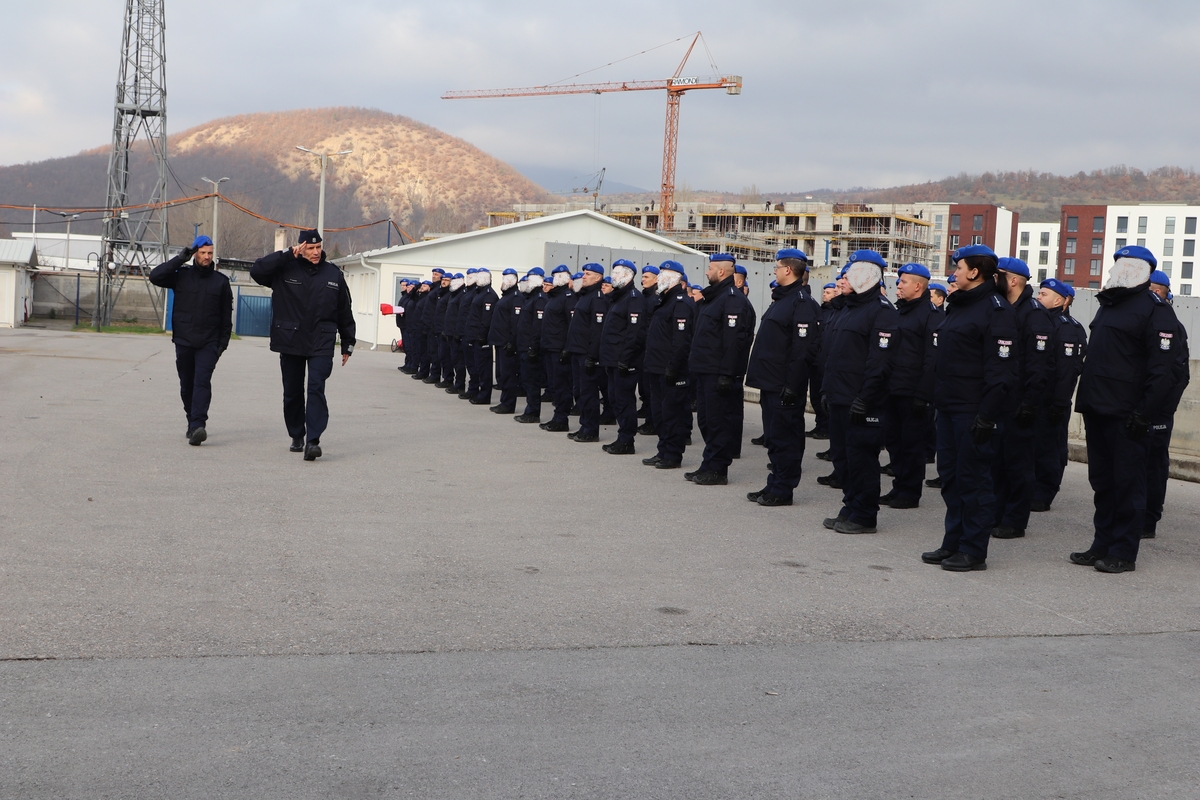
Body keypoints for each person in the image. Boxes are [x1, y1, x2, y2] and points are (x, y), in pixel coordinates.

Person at [1070, 247, 1181, 572]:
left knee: (1128, 484)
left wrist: (1144, 413)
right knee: (1103, 482)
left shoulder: (1155, 310)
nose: (1114, 270)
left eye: (1123, 265)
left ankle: (1123, 551)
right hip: (1098, 408)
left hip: (1128, 414)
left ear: (1140, 271)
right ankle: (1101, 543)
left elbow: (1163, 371)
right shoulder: (1109, 305)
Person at [920, 244, 1018, 571]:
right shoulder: (959, 306)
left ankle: (973, 550)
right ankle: (953, 542)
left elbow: (1001, 372)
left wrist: (987, 416)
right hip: (948, 408)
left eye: (959, 267)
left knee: (974, 481)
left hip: (974, 412)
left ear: (975, 272)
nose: (955, 273)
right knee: (951, 479)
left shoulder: (996, 310)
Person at [250, 229, 355, 461]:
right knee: (293, 392)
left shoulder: (333, 274)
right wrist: (286, 255)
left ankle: (313, 441)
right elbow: (256, 270)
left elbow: (344, 310)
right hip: (291, 339)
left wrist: (348, 342)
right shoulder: (284, 268)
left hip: (321, 340)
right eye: (310, 248)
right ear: (300, 248)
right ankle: (297, 434)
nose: (316, 252)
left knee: (316, 388)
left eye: (318, 247)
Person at [819, 250, 898, 533]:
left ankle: (864, 514)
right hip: (841, 397)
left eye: (851, 274)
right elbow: (835, 357)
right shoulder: (849, 308)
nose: (844, 279)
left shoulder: (882, 311)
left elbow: (880, 363)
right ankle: (850, 506)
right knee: (844, 458)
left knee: (862, 458)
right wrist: (827, 391)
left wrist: (865, 398)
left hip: (862, 402)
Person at [744, 249, 819, 506]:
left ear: (788, 270)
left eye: (777, 266)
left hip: (784, 386)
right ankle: (774, 483)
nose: (774, 270)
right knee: (774, 439)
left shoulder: (801, 303)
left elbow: (803, 351)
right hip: (770, 382)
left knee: (786, 439)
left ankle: (783, 489)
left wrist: (793, 386)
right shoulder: (782, 299)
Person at [989, 257, 1053, 539]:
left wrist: (1030, 403)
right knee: (997, 462)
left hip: (1020, 402)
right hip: (999, 399)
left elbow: (1039, 366)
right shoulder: (1001, 308)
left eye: (998, 275)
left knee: (1018, 464)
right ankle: (997, 513)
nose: (993, 279)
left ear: (1013, 280)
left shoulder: (1034, 313)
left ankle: (1015, 519)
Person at [149, 235, 233, 446]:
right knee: (187, 385)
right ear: (195, 253)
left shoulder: (221, 282)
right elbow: (155, 276)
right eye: (203, 253)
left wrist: (221, 346)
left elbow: (226, 318)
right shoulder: (181, 276)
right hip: (185, 340)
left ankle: (198, 425)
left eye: (210, 253)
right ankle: (191, 419)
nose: (207, 257)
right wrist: (179, 259)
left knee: (202, 381)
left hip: (209, 343)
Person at [685, 254, 755, 485]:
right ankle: (708, 463)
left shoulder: (732, 299)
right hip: (704, 370)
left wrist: (728, 374)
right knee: (706, 421)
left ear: (722, 272)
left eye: (710, 268)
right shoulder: (713, 298)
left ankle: (718, 469)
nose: (706, 272)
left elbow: (734, 341)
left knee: (718, 422)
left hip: (718, 373)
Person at [880, 263, 937, 510]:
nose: (898, 286)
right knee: (894, 441)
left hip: (913, 392)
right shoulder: (898, 312)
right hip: (892, 388)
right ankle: (898, 486)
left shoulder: (931, 315)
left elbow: (932, 359)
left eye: (903, 282)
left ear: (917, 286)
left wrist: (923, 395)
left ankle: (910, 492)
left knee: (912, 444)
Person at [1029, 278, 1087, 512]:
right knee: (1033, 445)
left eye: (1043, 294)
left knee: (1049, 447)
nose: (1038, 297)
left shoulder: (1066, 327)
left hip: (1053, 399)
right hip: (1036, 396)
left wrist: (1059, 403)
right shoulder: (1041, 323)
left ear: (1062, 301)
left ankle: (1044, 492)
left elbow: (1067, 370)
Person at [1142, 270, 1190, 538]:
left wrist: (1161, 409)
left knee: (1153, 463)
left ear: (1160, 292)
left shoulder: (1171, 325)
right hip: (1143, 406)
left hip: (1158, 410)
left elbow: (1178, 374)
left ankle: (1148, 519)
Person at [641, 261, 694, 469]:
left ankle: (673, 454)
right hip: (655, 367)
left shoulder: (680, 303)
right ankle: (663, 450)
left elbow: (681, 341)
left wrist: (673, 366)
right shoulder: (663, 301)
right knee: (660, 413)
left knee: (672, 414)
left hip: (670, 369)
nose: (659, 278)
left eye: (662, 275)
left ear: (673, 279)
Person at [599, 259, 645, 454]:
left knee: (624, 400)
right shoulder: (618, 298)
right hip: (612, 360)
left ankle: (627, 440)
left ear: (628, 276)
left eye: (617, 273)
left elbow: (635, 334)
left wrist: (625, 359)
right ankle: (622, 437)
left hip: (624, 362)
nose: (613, 277)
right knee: (615, 398)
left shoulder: (634, 298)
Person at [565, 263, 608, 443]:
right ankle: (584, 425)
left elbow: (597, 331)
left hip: (587, 354)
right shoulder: (585, 296)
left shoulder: (597, 298)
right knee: (581, 392)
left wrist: (592, 356)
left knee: (589, 393)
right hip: (577, 351)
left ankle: (591, 429)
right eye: (583, 273)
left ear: (598, 278)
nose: (583, 276)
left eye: (588, 274)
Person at [539, 265, 577, 432]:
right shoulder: (555, 297)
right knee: (555, 384)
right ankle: (557, 416)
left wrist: (567, 348)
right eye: (554, 275)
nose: (555, 278)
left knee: (562, 385)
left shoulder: (568, 297)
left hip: (559, 348)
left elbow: (571, 325)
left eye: (559, 275)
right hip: (550, 347)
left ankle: (561, 419)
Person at [487, 269, 522, 413]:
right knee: (502, 374)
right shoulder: (506, 297)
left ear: (513, 281)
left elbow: (516, 322)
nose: (502, 282)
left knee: (508, 375)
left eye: (505, 280)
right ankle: (504, 401)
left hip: (507, 343)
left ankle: (508, 404)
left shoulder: (516, 297)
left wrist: (512, 342)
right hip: (500, 341)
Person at [514, 269, 547, 423]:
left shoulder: (539, 299)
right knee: (527, 380)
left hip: (530, 348)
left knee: (532, 381)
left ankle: (533, 412)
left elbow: (537, 326)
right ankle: (530, 410)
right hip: (524, 346)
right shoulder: (530, 298)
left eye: (528, 280)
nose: (525, 283)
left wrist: (533, 347)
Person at [463, 268, 497, 405]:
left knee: (484, 369)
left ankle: (484, 395)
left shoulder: (489, 295)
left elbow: (486, 319)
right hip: (474, 336)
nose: (479, 279)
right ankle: (476, 391)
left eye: (483, 276)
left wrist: (482, 336)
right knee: (476, 366)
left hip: (481, 338)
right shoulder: (479, 293)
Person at [637, 264, 660, 431]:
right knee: (644, 386)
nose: (642, 279)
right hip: (641, 348)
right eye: (642, 276)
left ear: (656, 279)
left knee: (650, 388)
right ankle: (647, 412)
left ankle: (652, 421)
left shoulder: (655, 298)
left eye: (646, 277)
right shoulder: (642, 297)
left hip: (649, 347)